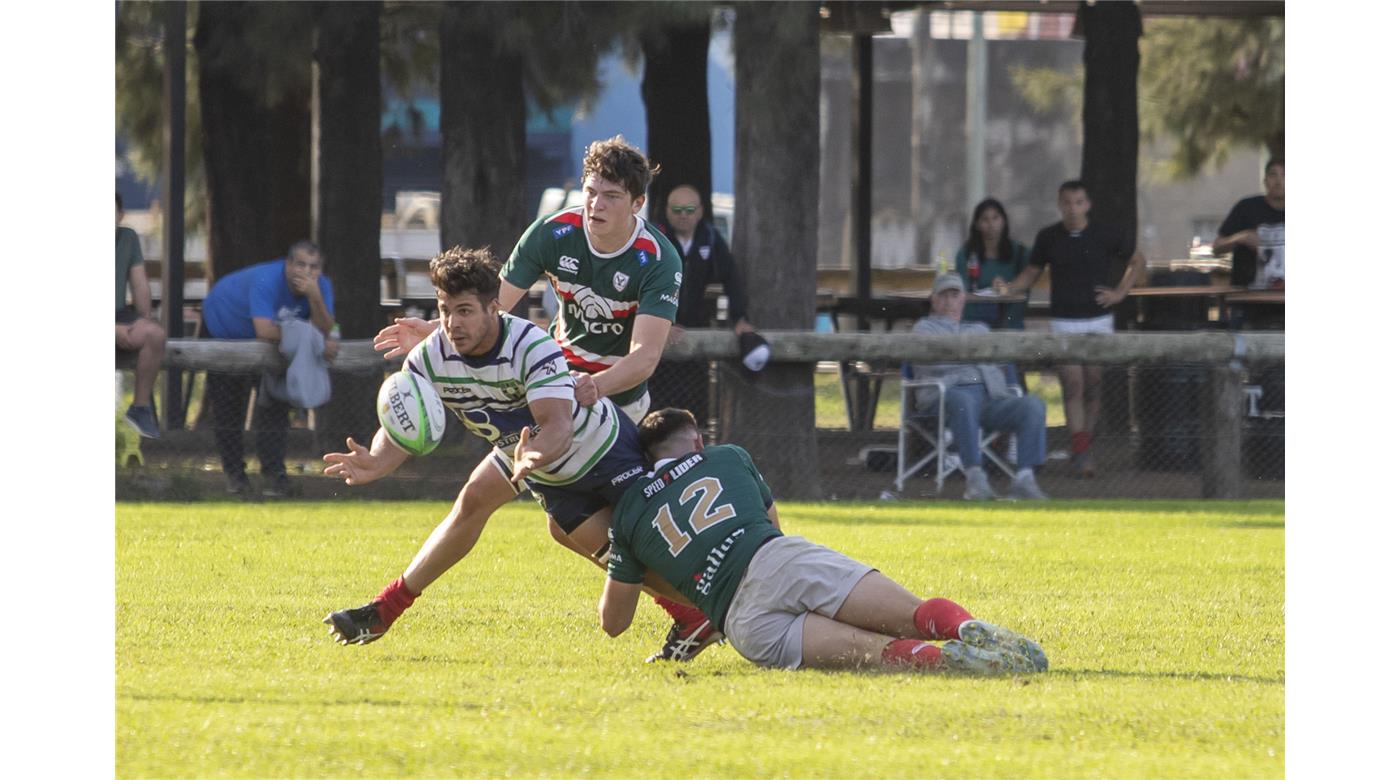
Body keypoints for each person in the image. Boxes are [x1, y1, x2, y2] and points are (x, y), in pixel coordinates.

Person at [371, 137, 714, 660]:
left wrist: (595, 386)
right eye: (591, 191)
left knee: (583, 527)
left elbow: (645, 358)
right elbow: (493, 311)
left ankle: (704, 606)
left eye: (612, 196)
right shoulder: (555, 234)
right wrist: (442, 333)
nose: (595, 205)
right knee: (496, 504)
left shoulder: (656, 259)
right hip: (549, 392)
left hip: (615, 406)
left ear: (638, 204)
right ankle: (385, 608)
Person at [322, 247, 719, 662]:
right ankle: (384, 610)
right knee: (476, 503)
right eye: (444, 310)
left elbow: (558, 427)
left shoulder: (531, 347)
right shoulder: (430, 358)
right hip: (537, 465)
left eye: (464, 311)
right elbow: (405, 423)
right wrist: (377, 461)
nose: (452, 324)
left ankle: (718, 604)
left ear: (494, 307)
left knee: (642, 549)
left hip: (599, 452)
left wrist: (532, 459)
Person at [599, 408, 1049, 674]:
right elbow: (771, 524)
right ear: (696, 440)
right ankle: (964, 629)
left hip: (743, 621)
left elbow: (614, 623)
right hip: (776, 559)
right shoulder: (725, 456)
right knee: (912, 616)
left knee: (880, 655)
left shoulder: (631, 512)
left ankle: (944, 663)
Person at [998, 181, 1145, 478]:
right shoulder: (1049, 237)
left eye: (1078, 202)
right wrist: (1009, 288)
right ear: (1059, 205)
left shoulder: (1106, 234)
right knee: (1073, 383)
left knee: (1093, 383)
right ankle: (1080, 452)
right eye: (1067, 202)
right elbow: (1031, 272)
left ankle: (1083, 445)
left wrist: (1119, 293)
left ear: (1087, 205)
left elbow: (1138, 261)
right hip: (1064, 321)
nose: (1073, 208)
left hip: (1098, 320)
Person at [201, 240, 339, 497]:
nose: (307, 272)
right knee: (229, 407)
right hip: (225, 328)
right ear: (287, 265)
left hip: (274, 345)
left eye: (314, 267)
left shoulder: (321, 288)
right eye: (300, 264)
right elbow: (264, 330)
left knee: (275, 404)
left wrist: (315, 298)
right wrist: (314, 339)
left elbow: (325, 328)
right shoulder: (267, 280)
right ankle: (236, 477)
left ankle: (274, 476)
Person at [911, 274, 1049, 501]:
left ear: (963, 299)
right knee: (962, 400)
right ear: (933, 301)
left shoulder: (980, 329)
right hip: (945, 398)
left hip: (988, 398)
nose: (948, 301)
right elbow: (935, 365)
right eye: (943, 295)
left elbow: (997, 365)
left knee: (1032, 405)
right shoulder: (924, 328)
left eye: (954, 295)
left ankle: (1025, 478)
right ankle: (975, 480)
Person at [652, 183, 755, 425]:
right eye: (677, 210)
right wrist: (661, 323)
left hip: (694, 324)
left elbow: (731, 276)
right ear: (666, 211)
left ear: (700, 211)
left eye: (689, 210)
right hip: (658, 328)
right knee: (658, 397)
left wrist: (739, 318)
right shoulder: (656, 238)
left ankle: (693, 445)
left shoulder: (708, 237)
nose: (683, 216)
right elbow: (640, 284)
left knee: (693, 393)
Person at [115, 193, 165, 439]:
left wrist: (143, 319)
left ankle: (140, 407)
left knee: (155, 334)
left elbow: (139, 284)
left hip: (117, 313)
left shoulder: (128, 237)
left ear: (120, 216)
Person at [1214, 157, 1284, 330]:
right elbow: (1217, 247)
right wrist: (1240, 238)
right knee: (1239, 351)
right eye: (1273, 175)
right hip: (1248, 302)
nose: (1279, 180)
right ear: (1265, 180)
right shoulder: (1247, 208)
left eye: (1285, 174)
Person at [954, 198, 1030, 330]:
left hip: (1010, 322)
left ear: (1004, 221)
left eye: (995, 218)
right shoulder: (966, 254)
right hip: (974, 322)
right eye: (985, 219)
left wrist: (1007, 287)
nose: (991, 224)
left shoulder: (1020, 253)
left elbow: (1026, 285)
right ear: (977, 224)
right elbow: (961, 290)